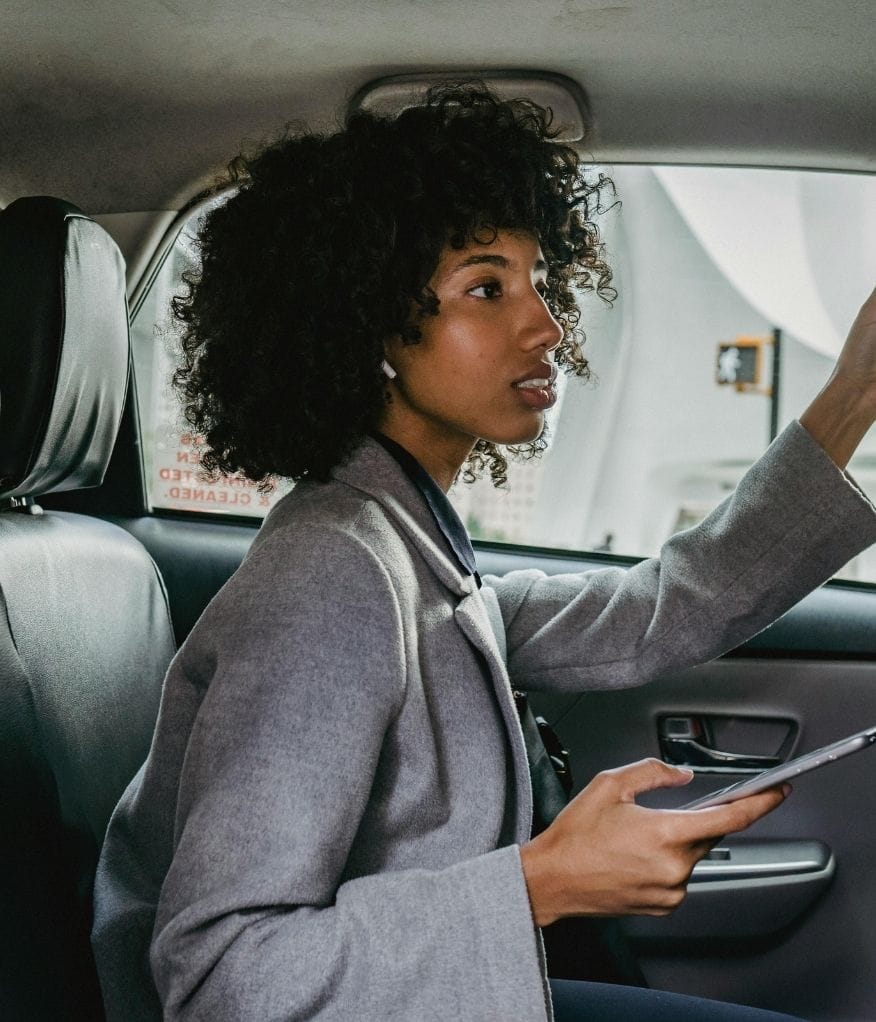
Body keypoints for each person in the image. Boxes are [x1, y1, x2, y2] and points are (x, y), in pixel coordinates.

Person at [91, 84, 876, 1021]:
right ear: (367, 326)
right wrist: (544, 881)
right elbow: (221, 975)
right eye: (486, 287)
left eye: (539, 281)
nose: (545, 324)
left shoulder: (408, 542)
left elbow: (665, 608)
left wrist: (853, 396)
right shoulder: (330, 580)